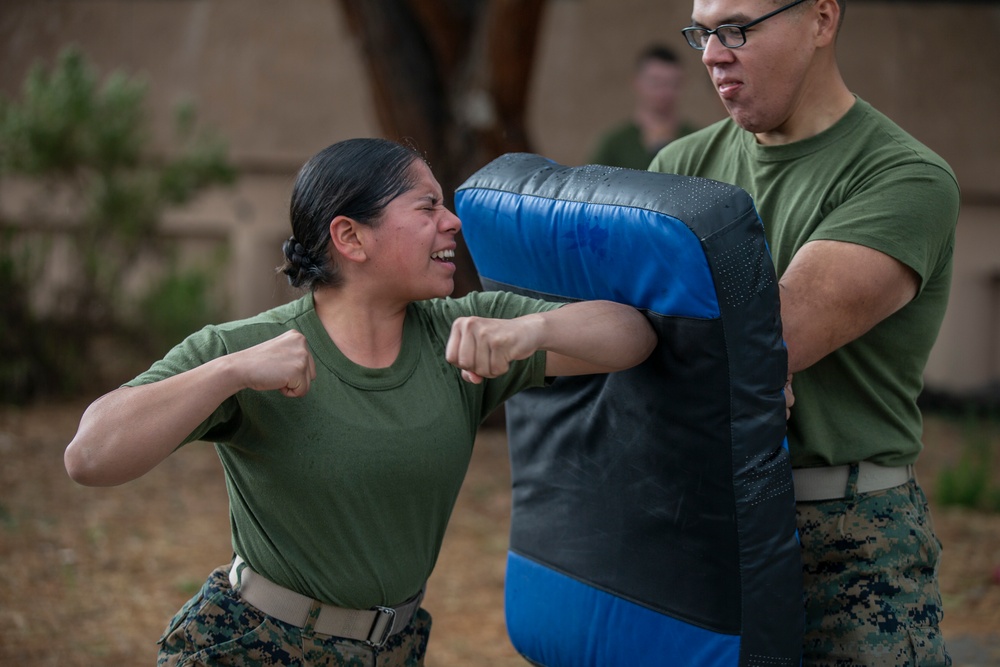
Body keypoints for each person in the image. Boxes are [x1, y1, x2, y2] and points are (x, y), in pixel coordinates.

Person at [64, 137, 657, 666]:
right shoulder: (246, 350)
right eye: (427, 207)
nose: (452, 222)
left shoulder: (465, 333)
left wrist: (536, 332)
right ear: (350, 236)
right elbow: (89, 456)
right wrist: (229, 372)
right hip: (257, 646)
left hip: (395, 648)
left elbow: (633, 336)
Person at [649, 0, 960, 665]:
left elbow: (769, 340)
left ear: (821, 19)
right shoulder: (679, 167)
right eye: (702, 33)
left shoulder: (906, 176)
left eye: (736, 28)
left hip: (849, 550)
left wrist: (714, 361)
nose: (711, 54)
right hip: (701, 531)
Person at [587, 43, 698, 170]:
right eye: (655, 83)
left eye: (672, 84)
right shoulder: (615, 144)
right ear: (636, 82)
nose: (664, 92)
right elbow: (590, 186)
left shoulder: (695, 141)